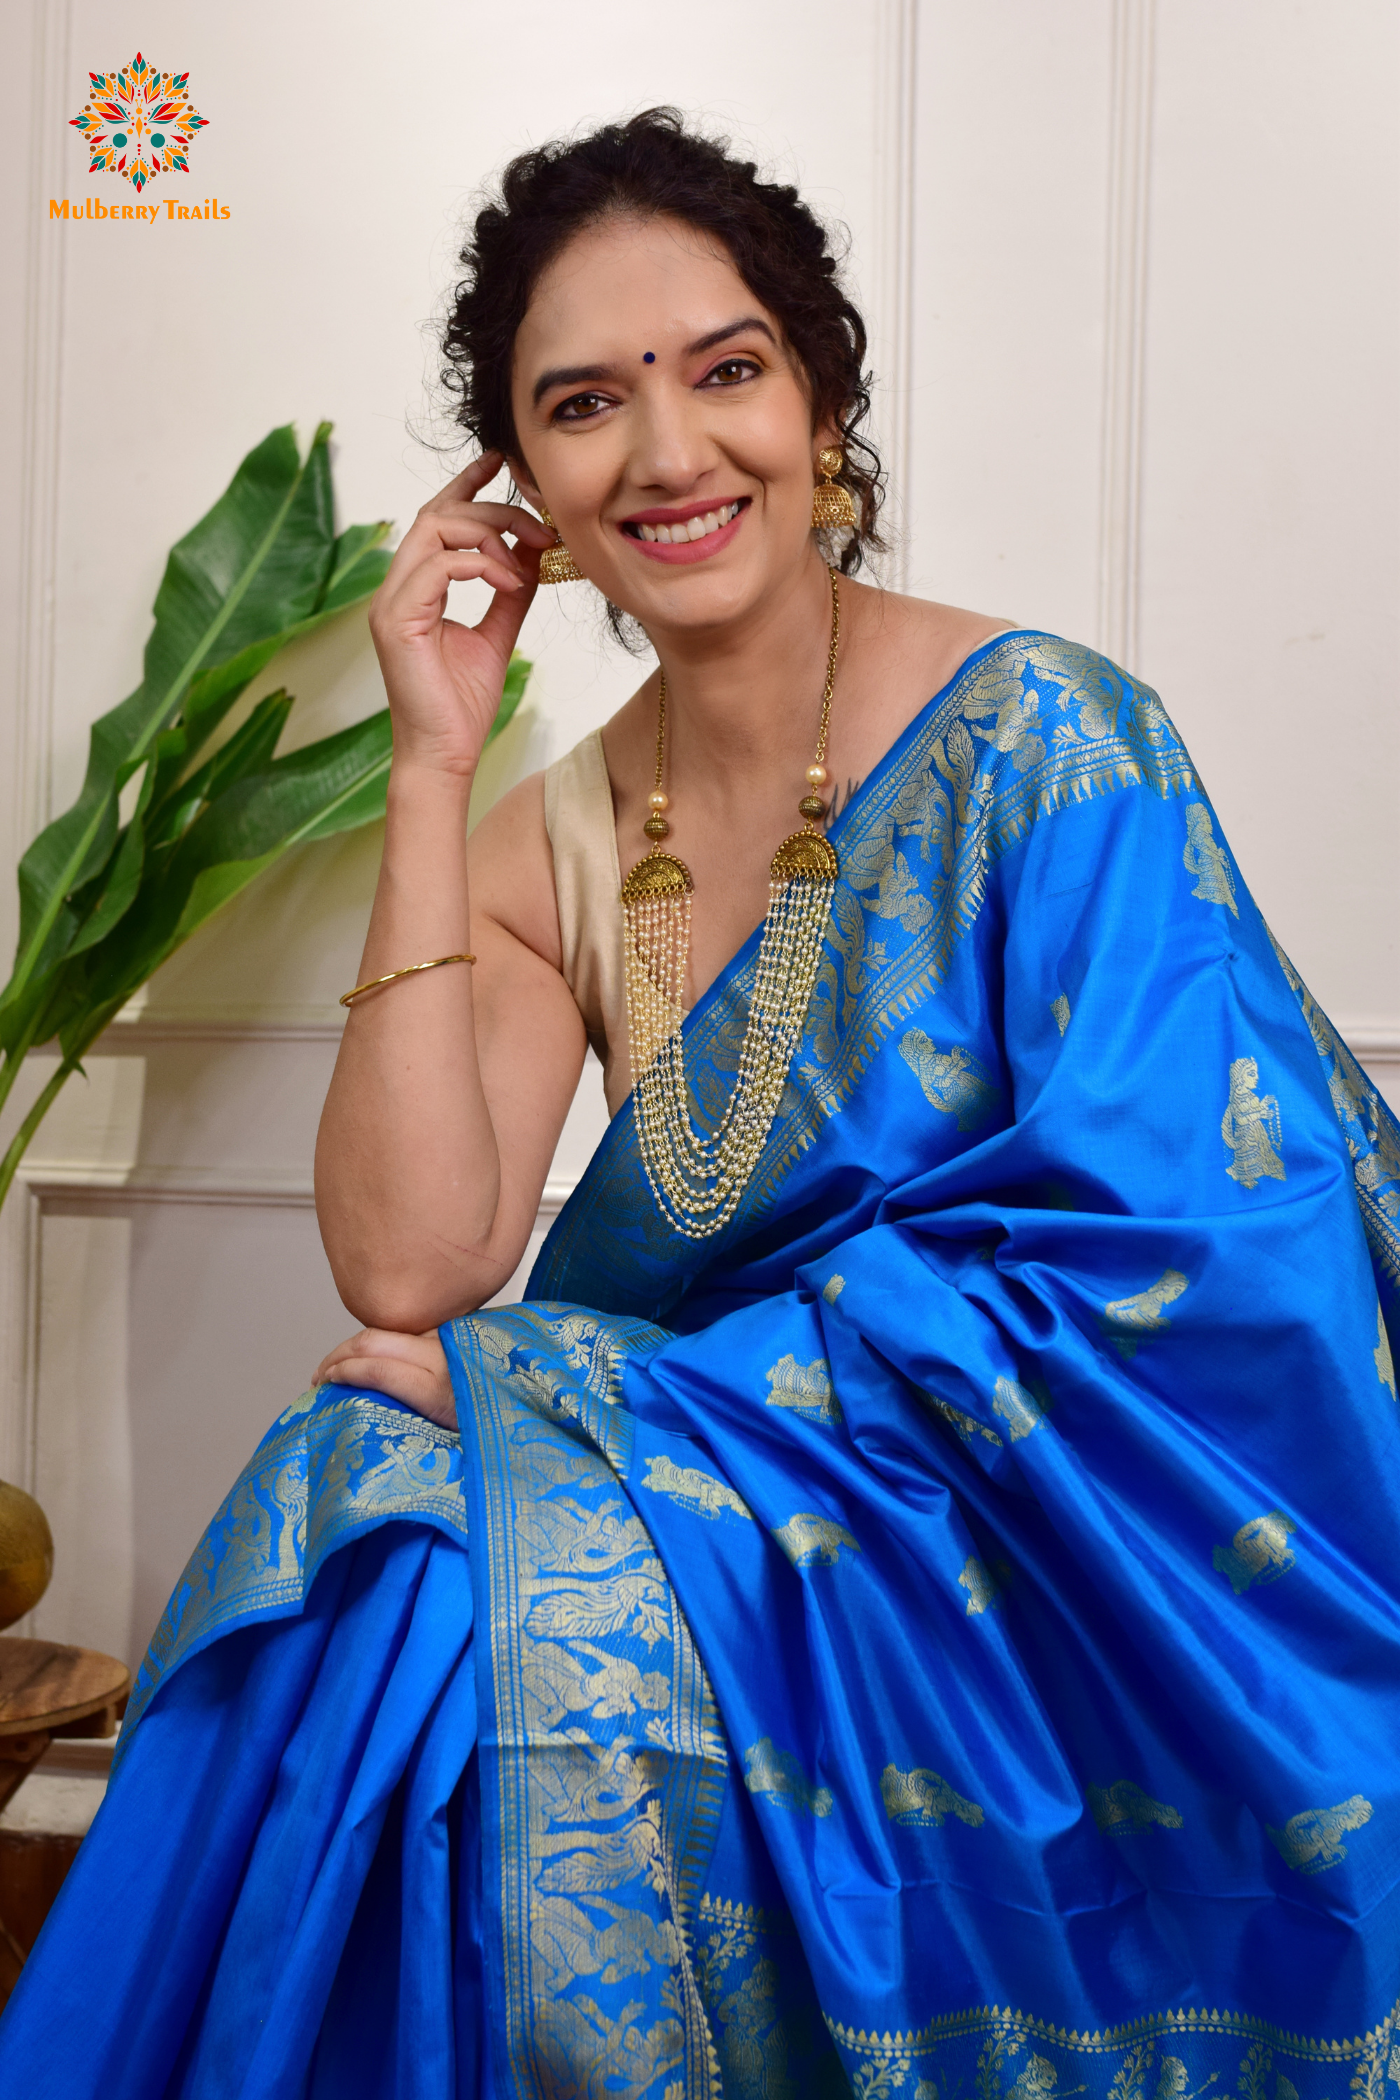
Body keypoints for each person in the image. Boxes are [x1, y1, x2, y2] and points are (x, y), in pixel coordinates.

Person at [2, 107, 1397, 2100]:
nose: (667, 455)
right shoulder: (549, 838)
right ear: (523, 491)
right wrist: (426, 756)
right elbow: (412, 1268)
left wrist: (624, 1402)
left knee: (419, 1564)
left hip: (1066, 1549)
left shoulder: (1051, 740)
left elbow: (1184, 1278)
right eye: (582, 407)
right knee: (372, 1526)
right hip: (738, 1524)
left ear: (817, 404)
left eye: (723, 372)